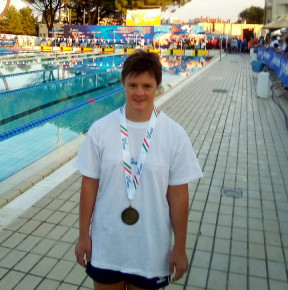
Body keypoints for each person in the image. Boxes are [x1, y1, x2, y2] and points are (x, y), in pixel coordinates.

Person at [75, 50, 203, 290]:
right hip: (106, 243)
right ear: (123, 82)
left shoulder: (174, 135)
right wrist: (83, 234)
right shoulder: (101, 129)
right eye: (132, 84)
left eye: (147, 85)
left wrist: (180, 247)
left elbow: (179, 196)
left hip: (151, 250)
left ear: (157, 86)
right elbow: (89, 184)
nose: (139, 93)